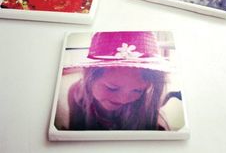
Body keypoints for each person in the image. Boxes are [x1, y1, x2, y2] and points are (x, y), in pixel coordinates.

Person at [54, 31, 183, 131]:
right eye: (112, 88)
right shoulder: (76, 93)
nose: (123, 99)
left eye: (138, 90)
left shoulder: (148, 111)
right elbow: (75, 134)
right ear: (89, 77)